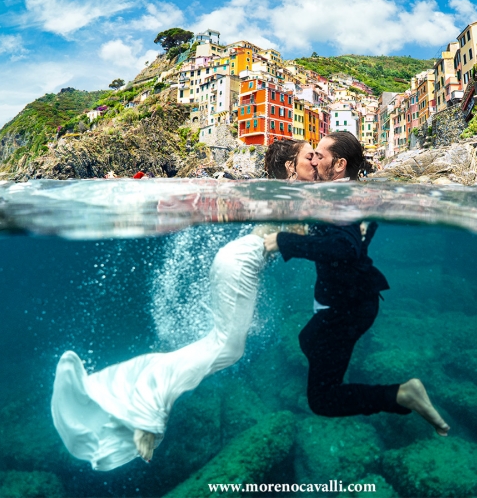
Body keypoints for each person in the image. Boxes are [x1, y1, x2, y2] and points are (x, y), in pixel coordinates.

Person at [51, 139, 314, 470]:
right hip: (242, 262)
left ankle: (138, 399)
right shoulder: (290, 193)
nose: (317, 160)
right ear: (291, 166)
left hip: (237, 261)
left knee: (221, 345)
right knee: (226, 348)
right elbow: (300, 235)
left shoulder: (290, 192)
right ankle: (147, 408)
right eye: (310, 156)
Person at [264, 131, 450, 435]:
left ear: (339, 164)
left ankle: (402, 394)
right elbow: (352, 241)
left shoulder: (342, 201)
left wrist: (283, 241)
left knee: (322, 400)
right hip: (352, 300)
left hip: (348, 306)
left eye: (320, 156)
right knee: (308, 339)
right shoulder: (346, 193)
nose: (314, 161)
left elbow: (344, 249)